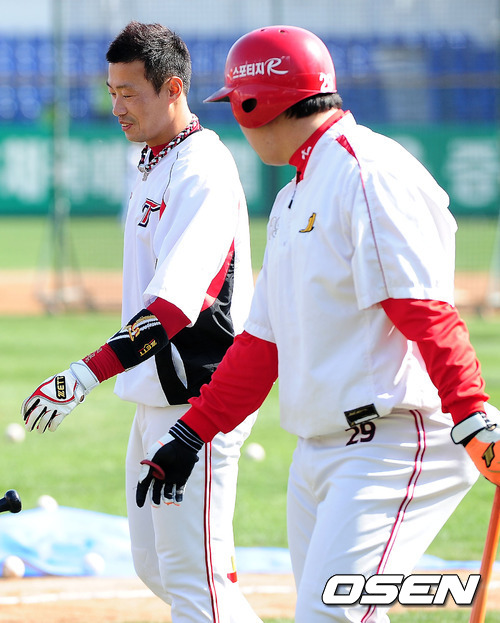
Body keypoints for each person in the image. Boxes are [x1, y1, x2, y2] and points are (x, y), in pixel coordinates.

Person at [131, 25, 500, 623]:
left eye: (237, 105)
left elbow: (424, 311)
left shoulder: (367, 173)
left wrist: (473, 416)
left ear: (256, 105)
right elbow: (261, 345)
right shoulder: (296, 193)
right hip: (322, 449)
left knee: (331, 615)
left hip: (393, 441)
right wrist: (191, 434)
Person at [21, 21, 262, 623]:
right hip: (158, 394)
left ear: (173, 88)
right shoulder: (155, 161)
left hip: (199, 401)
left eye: (129, 93)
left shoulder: (203, 169)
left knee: (194, 581)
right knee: (157, 566)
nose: (117, 108)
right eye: (112, 92)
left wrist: (83, 374)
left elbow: (174, 308)